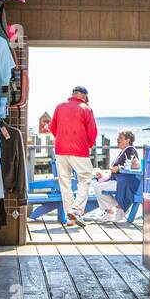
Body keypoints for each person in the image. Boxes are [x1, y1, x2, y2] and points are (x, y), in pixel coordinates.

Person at [50, 86, 97, 227]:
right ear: (84, 96)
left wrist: (62, 141)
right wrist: (87, 144)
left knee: (65, 183)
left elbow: (53, 128)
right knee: (85, 177)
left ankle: (70, 217)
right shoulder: (86, 108)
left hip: (60, 150)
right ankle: (76, 210)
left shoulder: (60, 106)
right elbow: (92, 132)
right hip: (79, 151)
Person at [90, 130, 141, 223]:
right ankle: (116, 209)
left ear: (128, 140)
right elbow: (119, 168)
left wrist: (119, 167)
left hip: (125, 183)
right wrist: (104, 174)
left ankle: (116, 210)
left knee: (98, 188)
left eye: (120, 138)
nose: (117, 140)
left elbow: (137, 165)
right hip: (120, 181)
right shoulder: (125, 150)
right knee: (97, 187)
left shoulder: (130, 149)